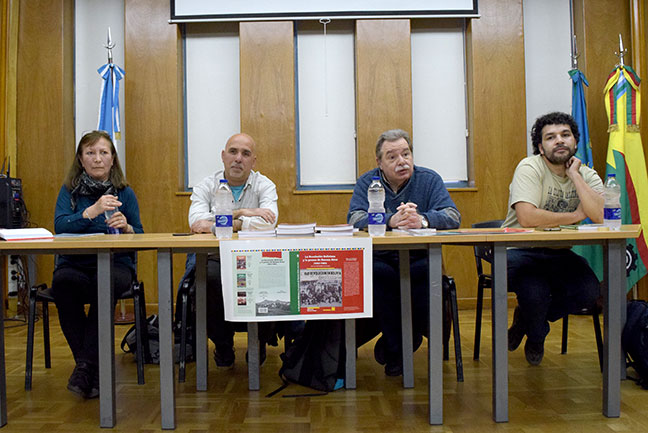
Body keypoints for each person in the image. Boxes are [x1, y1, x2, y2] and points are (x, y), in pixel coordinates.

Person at [347, 129, 461, 376]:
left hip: (419, 256)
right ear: (379, 162)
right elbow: (354, 218)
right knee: (376, 277)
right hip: (381, 258)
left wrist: (422, 220)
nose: (402, 161)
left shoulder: (429, 179)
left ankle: (399, 344)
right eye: (392, 157)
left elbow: (453, 216)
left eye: (406, 154)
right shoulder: (368, 182)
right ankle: (401, 345)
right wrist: (391, 220)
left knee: (424, 278)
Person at [502, 111, 604, 366]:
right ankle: (537, 335)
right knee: (536, 293)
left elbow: (602, 215)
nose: (559, 141)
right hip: (518, 250)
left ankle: (526, 321)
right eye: (551, 137)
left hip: (559, 252)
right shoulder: (530, 167)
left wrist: (575, 177)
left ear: (575, 142)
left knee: (589, 292)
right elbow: (526, 216)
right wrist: (575, 215)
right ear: (540, 146)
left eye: (565, 135)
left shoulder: (586, 174)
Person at [52, 130, 144, 398]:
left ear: (113, 159)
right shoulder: (69, 191)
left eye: (103, 153)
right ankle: (90, 366)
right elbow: (59, 226)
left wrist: (127, 227)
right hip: (76, 264)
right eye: (90, 153)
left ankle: (85, 368)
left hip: (116, 264)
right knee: (62, 284)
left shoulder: (125, 193)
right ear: (81, 159)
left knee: (104, 285)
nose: (97, 159)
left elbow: (139, 232)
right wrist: (90, 211)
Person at [188, 133, 278, 367]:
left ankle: (258, 341)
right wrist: (242, 213)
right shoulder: (205, 186)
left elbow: (269, 222)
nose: (238, 158)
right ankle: (222, 343)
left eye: (245, 154)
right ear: (223, 156)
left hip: (256, 257)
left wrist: (223, 223)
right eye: (233, 152)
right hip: (214, 258)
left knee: (272, 279)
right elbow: (197, 224)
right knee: (208, 279)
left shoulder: (264, 185)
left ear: (253, 161)